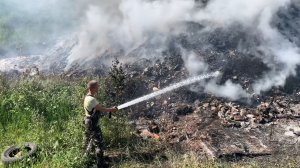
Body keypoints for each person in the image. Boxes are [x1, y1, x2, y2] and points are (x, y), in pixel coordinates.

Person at [83, 80, 118, 167]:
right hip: (93, 124)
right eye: (97, 86)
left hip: (88, 122)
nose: (98, 88)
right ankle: (101, 164)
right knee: (99, 143)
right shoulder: (92, 99)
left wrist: (109, 110)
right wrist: (112, 110)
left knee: (88, 141)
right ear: (93, 88)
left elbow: (96, 111)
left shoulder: (87, 97)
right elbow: (102, 109)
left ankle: (86, 159)